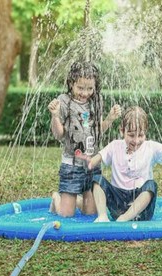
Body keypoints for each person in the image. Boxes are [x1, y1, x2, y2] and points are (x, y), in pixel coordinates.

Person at [86, 106, 162, 222]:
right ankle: (102, 216)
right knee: (97, 180)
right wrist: (88, 161)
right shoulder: (115, 146)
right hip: (118, 204)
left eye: (140, 135)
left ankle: (124, 219)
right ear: (122, 131)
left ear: (146, 132)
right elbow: (94, 160)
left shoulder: (151, 147)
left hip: (141, 210)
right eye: (131, 135)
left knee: (151, 186)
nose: (136, 141)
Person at [48, 61, 121, 217]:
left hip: (91, 163)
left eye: (90, 88)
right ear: (71, 83)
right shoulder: (64, 102)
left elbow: (97, 131)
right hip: (72, 164)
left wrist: (110, 118)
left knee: (91, 213)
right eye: (80, 88)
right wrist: (55, 116)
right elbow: (59, 134)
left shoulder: (96, 102)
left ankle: (77, 201)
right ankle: (57, 199)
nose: (85, 93)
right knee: (66, 215)